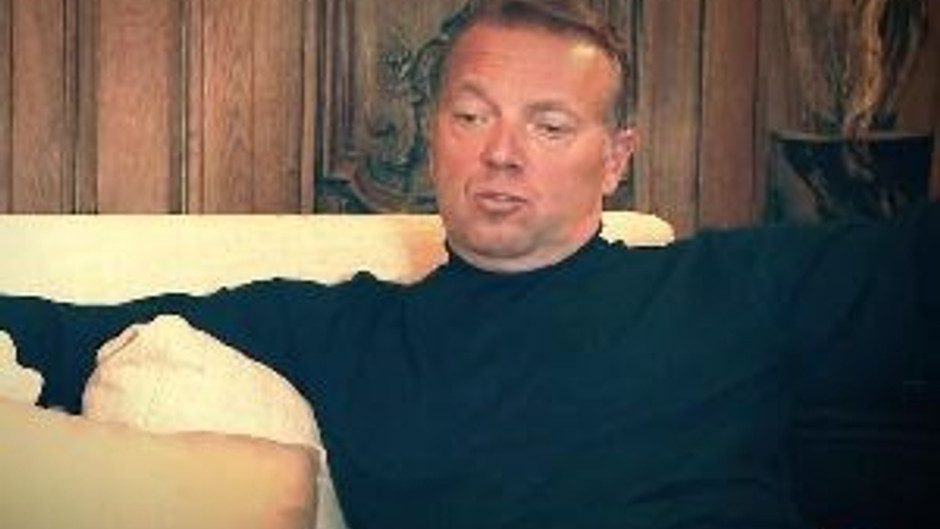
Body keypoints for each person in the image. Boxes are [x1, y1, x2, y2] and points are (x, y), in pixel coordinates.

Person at [1, 0, 937, 527]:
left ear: (615, 158)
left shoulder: (731, 291)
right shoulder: (344, 333)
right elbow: (58, 334)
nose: (502, 154)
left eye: (550, 126)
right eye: (472, 116)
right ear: (438, 136)